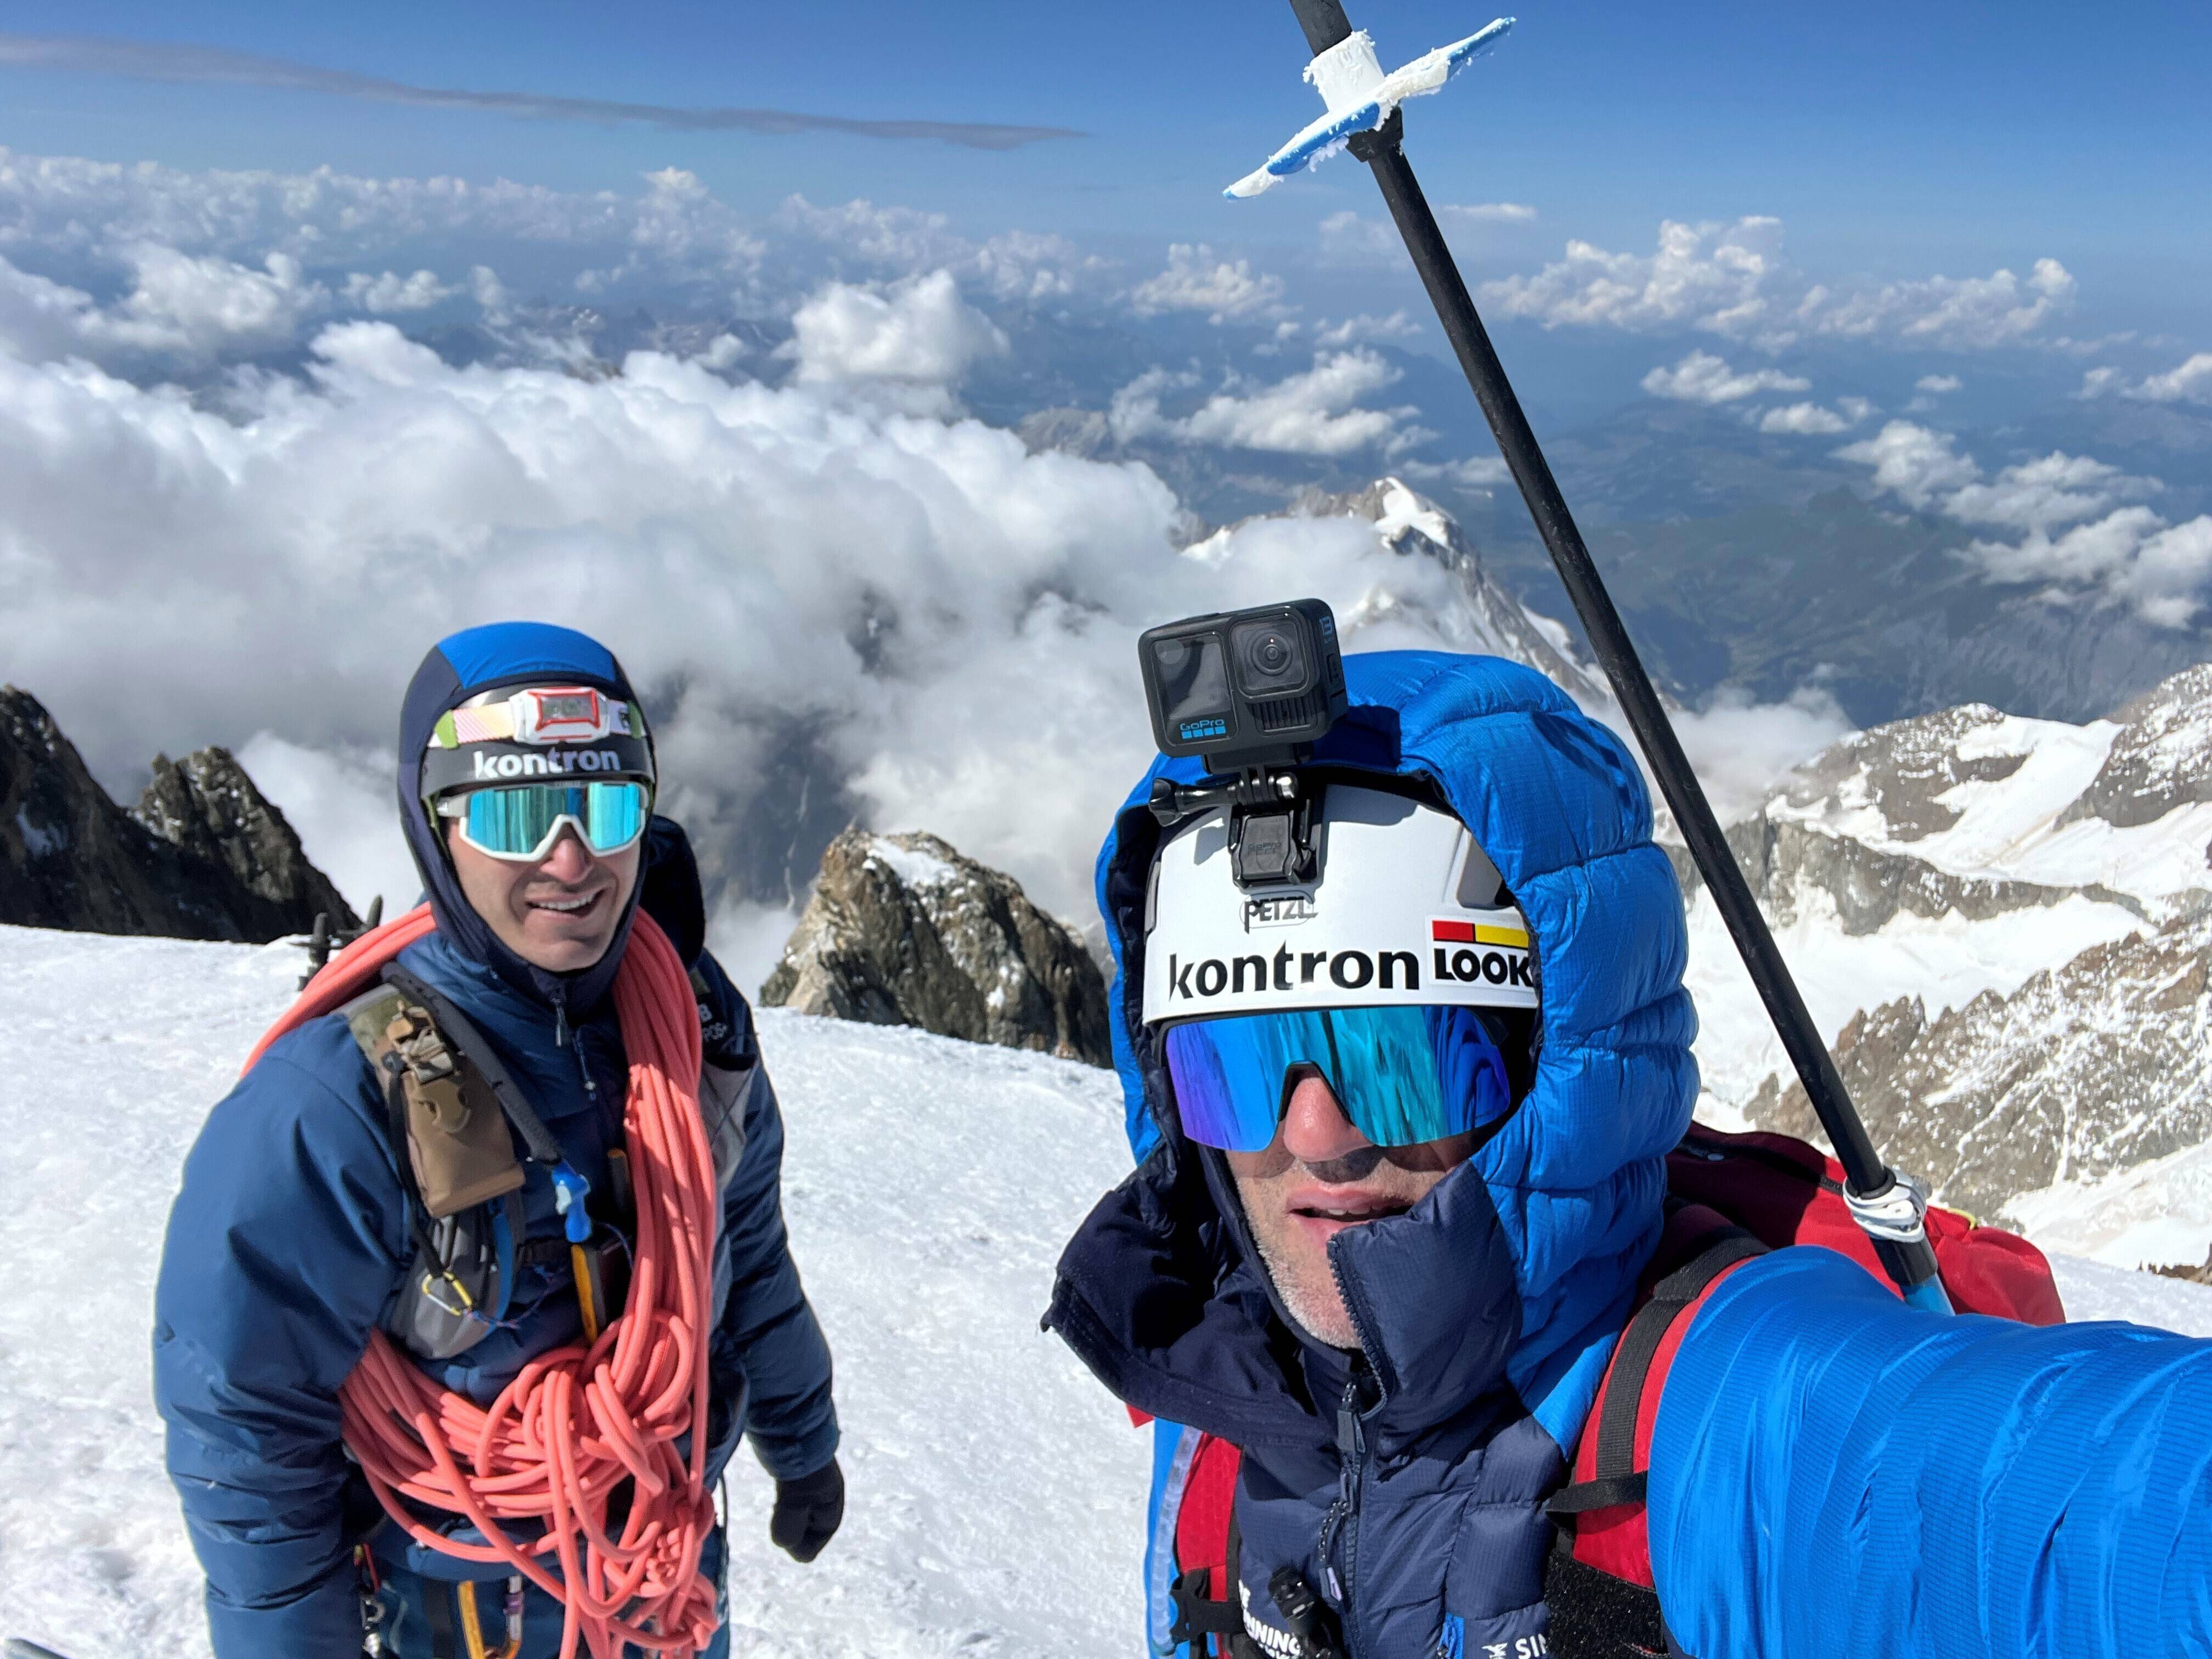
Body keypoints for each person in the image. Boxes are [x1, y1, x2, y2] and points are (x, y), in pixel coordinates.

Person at [1045, 647, 2212, 1659]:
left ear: (1555, 1065)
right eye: (1231, 1070)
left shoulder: (1737, 1422)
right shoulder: (1226, 1387)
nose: (1315, 1140)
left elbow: (2087, 1506)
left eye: (1404, 1059)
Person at [154, 622, 843, 1658]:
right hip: (462, 1594)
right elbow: (245, 1423)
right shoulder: (332, 1103)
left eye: (605, 810)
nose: (570, 862)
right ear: (439, 828)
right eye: (517, 817)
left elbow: (739, 1247)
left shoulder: (696, 1024)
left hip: (663, 1554)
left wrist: (803, 1436)